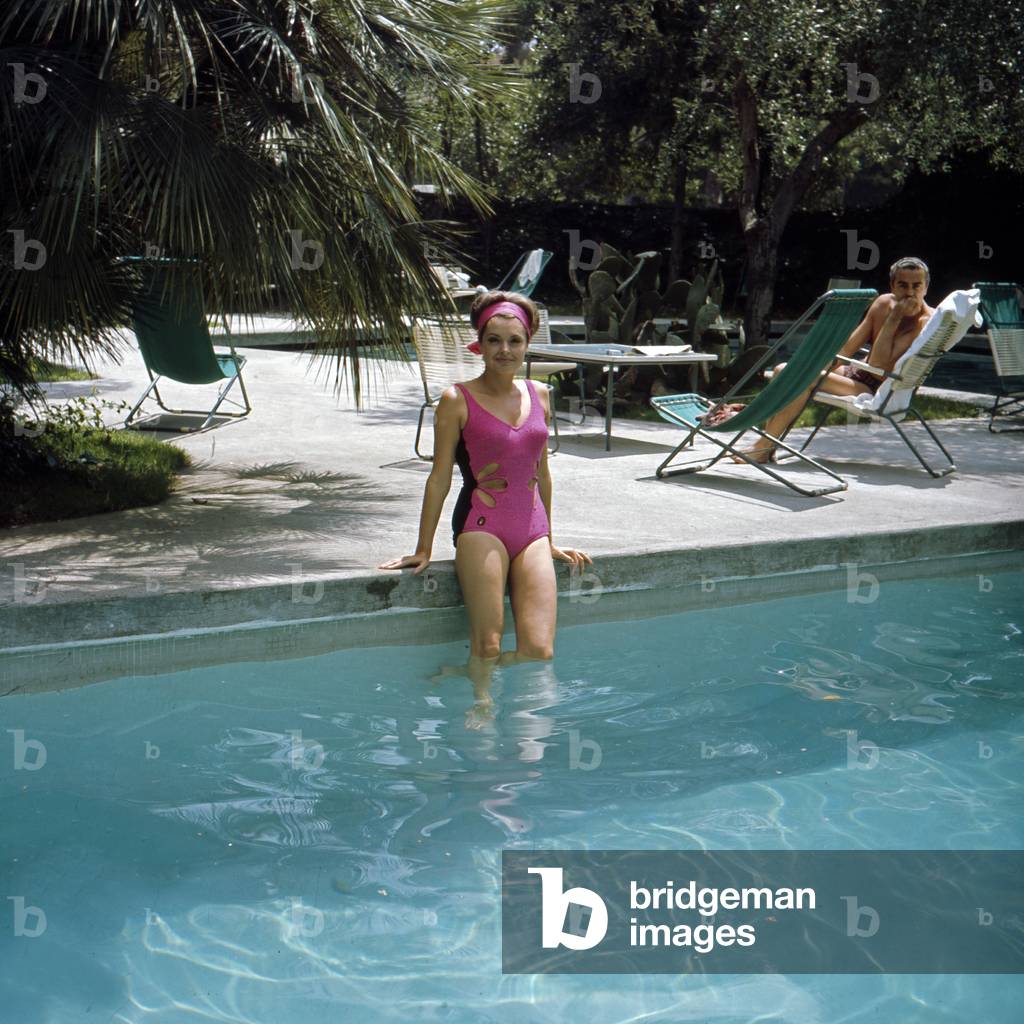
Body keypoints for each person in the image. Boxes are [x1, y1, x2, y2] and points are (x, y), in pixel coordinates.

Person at [379, 290, 591, 719]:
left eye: (515, 340)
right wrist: (424, 547)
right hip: (482, 524)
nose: (505, 350)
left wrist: (550, 537)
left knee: (538, 651)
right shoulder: (456, 399)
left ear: (528, 342)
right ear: (479, 343)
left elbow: (542, 473)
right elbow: (439, 477)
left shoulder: (541, 395)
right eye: (494, 340)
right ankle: (483, 702)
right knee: (489, 643)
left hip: (531, 528)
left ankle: (463, 671)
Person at [736, 257, 935, 463]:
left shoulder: (923, 323)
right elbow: (848, 348)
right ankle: (767, 446)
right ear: (892, 286)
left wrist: (893, 319)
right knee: (783, 371)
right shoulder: (883, 303)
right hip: (856, 373)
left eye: (916, 286)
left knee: (803, 379)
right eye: (903, 285)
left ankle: (763, 447)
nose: (910, 292)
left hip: (878, 388)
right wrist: (814, 367)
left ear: (926, 288)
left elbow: (878, 367)